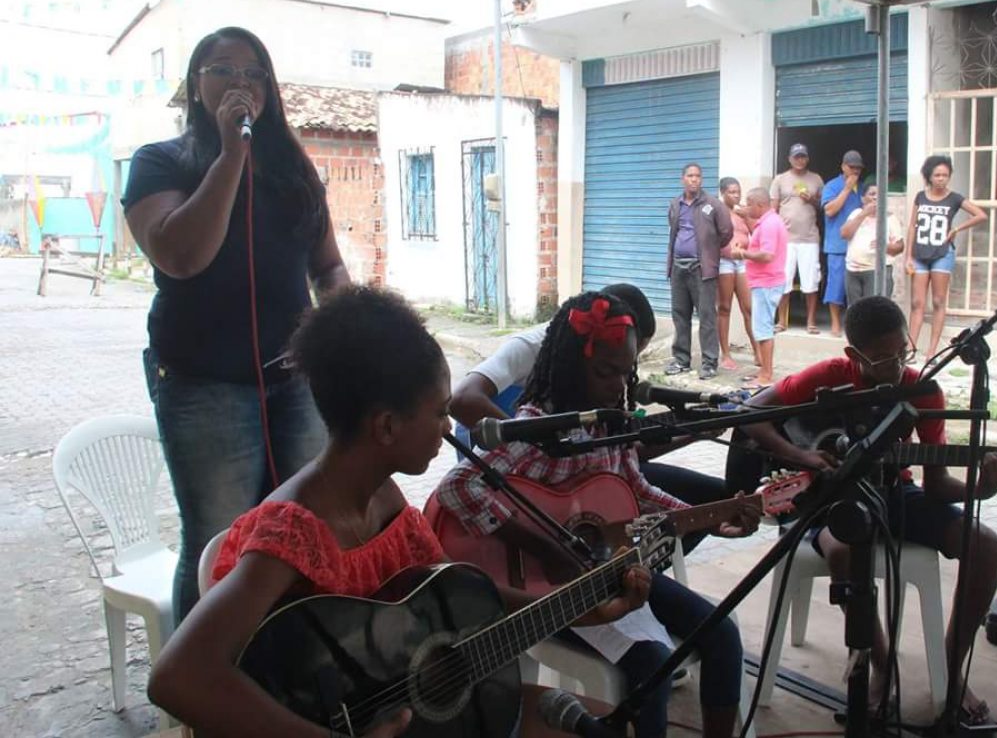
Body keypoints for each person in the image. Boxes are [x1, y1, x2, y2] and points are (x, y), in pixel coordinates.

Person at [146, 286, 651, 737]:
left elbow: (454, 596)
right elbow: (178, 678)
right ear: (386, 427)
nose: (448, 430)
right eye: (436, 413)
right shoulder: (294, 530)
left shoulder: (384, 498)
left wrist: (583, 607)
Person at [437, 291, 757, 738]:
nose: (616, 384)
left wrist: (710, 517)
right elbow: (458, 488)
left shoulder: (612, 423)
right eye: (605, 372)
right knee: (653, 667)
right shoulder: (536, 428)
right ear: (570, 366)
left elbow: (637, 489)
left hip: (607, 572)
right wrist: (546, 547)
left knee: (722, 634)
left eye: (625, 372)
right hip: (548, 589)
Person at [122, 26, 349, 623]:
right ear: (196, 87)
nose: (240, 83)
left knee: (301, 529)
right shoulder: (160, 163)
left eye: (254, 73)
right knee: (216, 544)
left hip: (295, 383)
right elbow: (181, 255)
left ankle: (283, 669)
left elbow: (327, 265)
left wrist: (346, 329)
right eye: (223, 70)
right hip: (204, 386)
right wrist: (230, 157)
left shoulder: (295, 170)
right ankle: (202, 692)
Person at [739, 296, 997, 725]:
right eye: (882, 358)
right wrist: (801, 456)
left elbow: (936, 486)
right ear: (854, 355)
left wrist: (980, 490)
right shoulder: (828, 376)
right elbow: (752, 411)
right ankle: (881, 666)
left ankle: (952, 670)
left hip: (896, 494)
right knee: (845, 550)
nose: (896, 365)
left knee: (985, 543)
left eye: (903, 351)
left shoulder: (923, 390)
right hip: (829, 500)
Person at [448, 283, 728, 510]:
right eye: (609, 369)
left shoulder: (599, 398)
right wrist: (539, 441)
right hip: (499, 451)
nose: (621, 384)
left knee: (709, 495)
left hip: (571, 473)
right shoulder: (531, 347)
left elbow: (617, 456)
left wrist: (694, 431)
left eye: (629, 366)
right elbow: (462, 401)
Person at [904, 156, 988, 360]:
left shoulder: (954, 198)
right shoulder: (920, 197)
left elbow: (980, 215)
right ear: (929, 177)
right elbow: (912, 226)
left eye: (945, 175)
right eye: (937, 175)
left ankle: (932, 352)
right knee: (917, 303)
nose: (941, 179)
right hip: (920, 253)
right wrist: (907, 255)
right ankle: (910, 349)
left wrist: (957, 228)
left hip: (942, 253)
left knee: (939, 301)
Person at [666, 163, 733, 381]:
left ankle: (709, 363)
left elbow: (726, 233)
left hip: (701, 269)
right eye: (690, 176)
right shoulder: (675, 204)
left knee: (706, 317)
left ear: (701, 179)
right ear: (682, 178)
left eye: (698, 176)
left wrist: (709, 251)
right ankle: (681, 360)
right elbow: (673, 231)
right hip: (678, 267)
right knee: (680, 315)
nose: (694, 179)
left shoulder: (713, 204)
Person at [732, 188, 788, 389]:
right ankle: (763, 370)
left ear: (760, 205)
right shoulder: (766, 222)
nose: (746, 206)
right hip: (764, 282)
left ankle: (765, 375)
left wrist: (743, 254)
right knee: (761, 328)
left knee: (763, 330)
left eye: (749, 202)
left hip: (767, 282)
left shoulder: (770, 224)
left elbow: (766, 255)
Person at [769, 143, 824, 334]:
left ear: (807, 158)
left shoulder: (816, 179)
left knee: (811, 281)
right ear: (789, 159)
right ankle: (782, 321)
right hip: (786, 239)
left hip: (809, 237)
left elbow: (822, 207)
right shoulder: (780, 179)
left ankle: (811, 322)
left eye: (803, 156)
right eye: (796, 157)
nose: (799, 160)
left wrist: (811, 200)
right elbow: (773, 209)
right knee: (783, 280)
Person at [820, 150, 866, 338]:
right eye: (851, 167)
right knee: (836, 284)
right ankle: (835, 324)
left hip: (859, 245)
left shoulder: (863, 188)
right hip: (837, 244)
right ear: (843, 167)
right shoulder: (832, 186)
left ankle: (854, 324)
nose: (855, 171)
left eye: (858, 168)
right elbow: (829, 211)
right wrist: (847, 189)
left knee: (855, 287)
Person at [716, 177, 758, 371]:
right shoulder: (718, 210)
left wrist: (746, 214)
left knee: (748, 308)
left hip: (741, 262)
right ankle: (725, 354)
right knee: (724, 308)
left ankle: (758, 350)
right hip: (724, 262)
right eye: (732, 192)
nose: (736, 195)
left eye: (738, 191)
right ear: (723, 193)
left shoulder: (742, 212)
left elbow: (755, 232)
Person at [842, 183, 906, 308]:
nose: (876, 197)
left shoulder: (890, 218)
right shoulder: (856, 214)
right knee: (855, 310)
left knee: (874, 310)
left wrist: (884, 246)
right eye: (872, 194)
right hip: (853, 271)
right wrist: (863, 214)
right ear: (863, 198)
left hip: (877, 270)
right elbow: (844, 234)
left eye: (879, 195)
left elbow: (900, 247)